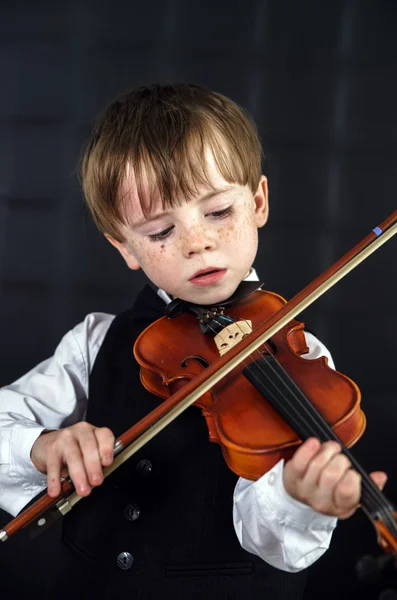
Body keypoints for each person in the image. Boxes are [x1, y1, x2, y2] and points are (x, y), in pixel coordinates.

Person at [0, 83, 387, 600]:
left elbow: (273, 541)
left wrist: (297, 497)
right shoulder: (96, 341)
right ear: (125, 247)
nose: (196, 242)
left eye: (219, 212)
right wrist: (43, 446)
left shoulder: (301, 359)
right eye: (160, 232)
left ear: (258, 203)